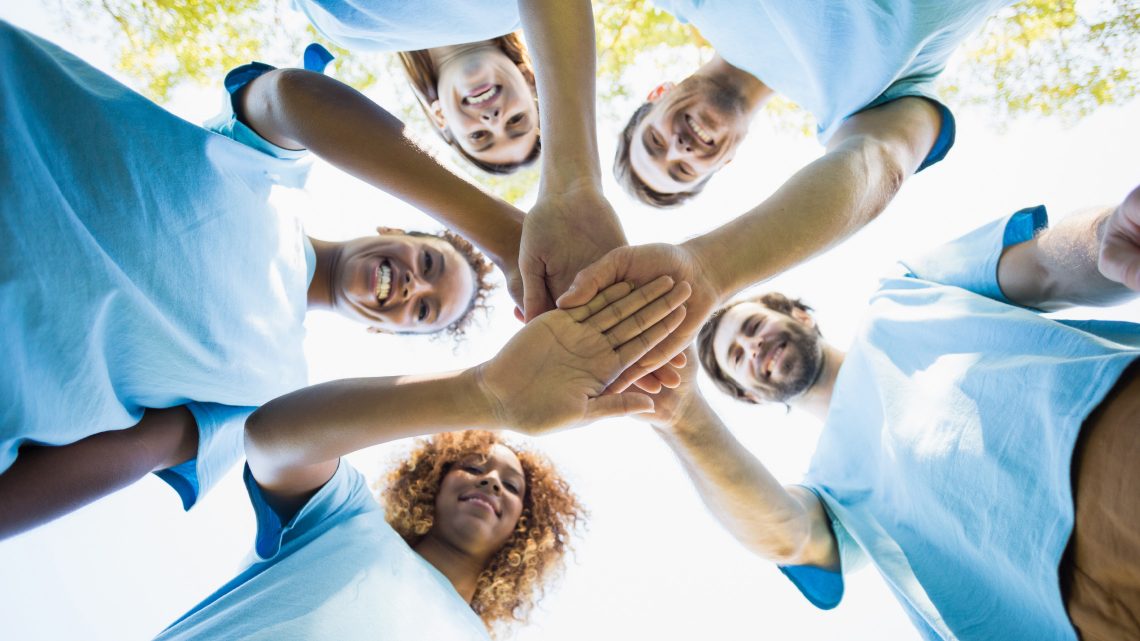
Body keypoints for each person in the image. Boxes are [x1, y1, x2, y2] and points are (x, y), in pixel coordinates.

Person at [0, 24, 531, 538]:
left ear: (387, 332)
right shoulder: (269, 169)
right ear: (393, 230)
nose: (415, 285)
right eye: (430, 264)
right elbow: (288, 97)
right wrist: (510, 240)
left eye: (423, 311)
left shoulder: (270, 395)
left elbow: (136, 453)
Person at [641, 188, 1140, 640]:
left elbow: (1045, 269)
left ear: (800, 314)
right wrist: (683, 415)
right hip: (1064, 622)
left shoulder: (905, 291)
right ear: (750, 396)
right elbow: (787, 539)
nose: (752, 346)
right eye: (736, 357)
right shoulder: (831, 493)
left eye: (751, 325)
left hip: (1107, 441)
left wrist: (1107, 236)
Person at [154, 272, 692, 639]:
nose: (490, 484)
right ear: (433, 479)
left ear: (526, 528)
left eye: (510, 486)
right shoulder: (344, 520)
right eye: (476, 467)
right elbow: (272, 436)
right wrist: (485, 393)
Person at [563, 0, 1017, 391]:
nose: (678, 149)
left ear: (658, 93)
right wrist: (709, 270)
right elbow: (879, 165)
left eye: (654, 142)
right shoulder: (861, 112)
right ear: (724, 163)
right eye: (682, 170)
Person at [292, 0, 633, 344]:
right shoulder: (516, 9)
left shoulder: (349, 29)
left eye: (479, 138)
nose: (494, 120)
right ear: (531, 80)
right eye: (517, 121)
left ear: (441, 120)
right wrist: (572, 184)